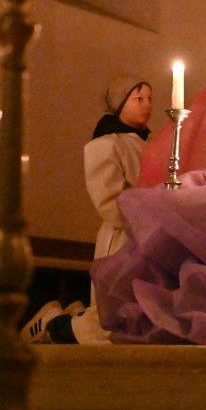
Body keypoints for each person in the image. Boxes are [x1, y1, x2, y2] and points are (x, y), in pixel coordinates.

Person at [22, 74, 153, 344]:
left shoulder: (151, 146)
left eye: (150, 99)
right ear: (120, 104)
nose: (147, 105)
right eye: (138, 98)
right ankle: (52, 324)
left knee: (133, 314)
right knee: (112, 316)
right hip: (123, 235)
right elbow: (108, 199)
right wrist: (143, 214)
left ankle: (69, 318)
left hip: (147, 234)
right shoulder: (105, 145)